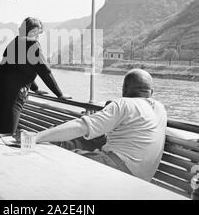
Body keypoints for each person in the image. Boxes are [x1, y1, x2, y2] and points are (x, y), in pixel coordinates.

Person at [34, 69, 167, 182]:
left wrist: (36, 137)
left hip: (118, 169)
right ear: (151, 92)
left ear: (124, 89)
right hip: (143, 177)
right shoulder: (161, 109)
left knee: (60, 157)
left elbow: (80, 126)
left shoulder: (124, 104)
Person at [0, 17, 70, 134]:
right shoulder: (32, 45)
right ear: (33, 31)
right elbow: (44, 71)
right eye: (39, 32)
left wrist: (35, 89)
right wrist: (59, 94)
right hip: (9, 95)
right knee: (5, 135)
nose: (39, 36)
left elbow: (19, 69)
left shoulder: (14, 42)